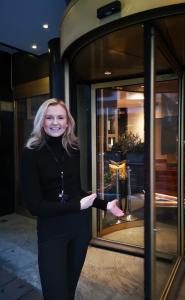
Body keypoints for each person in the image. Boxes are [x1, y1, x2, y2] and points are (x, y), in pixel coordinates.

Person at [21, 98, 124, 300]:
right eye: (49, 118)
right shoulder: (30, 153)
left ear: (68, 122)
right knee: (55, 293)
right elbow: (35, 206)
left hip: (78, 229)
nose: (55, 122)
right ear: (41, 121)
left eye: (60, 117)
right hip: (51, 232)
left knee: (69, 290)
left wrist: (104, 204)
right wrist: (76, 205)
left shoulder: (73, 149)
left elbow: (77, 191)